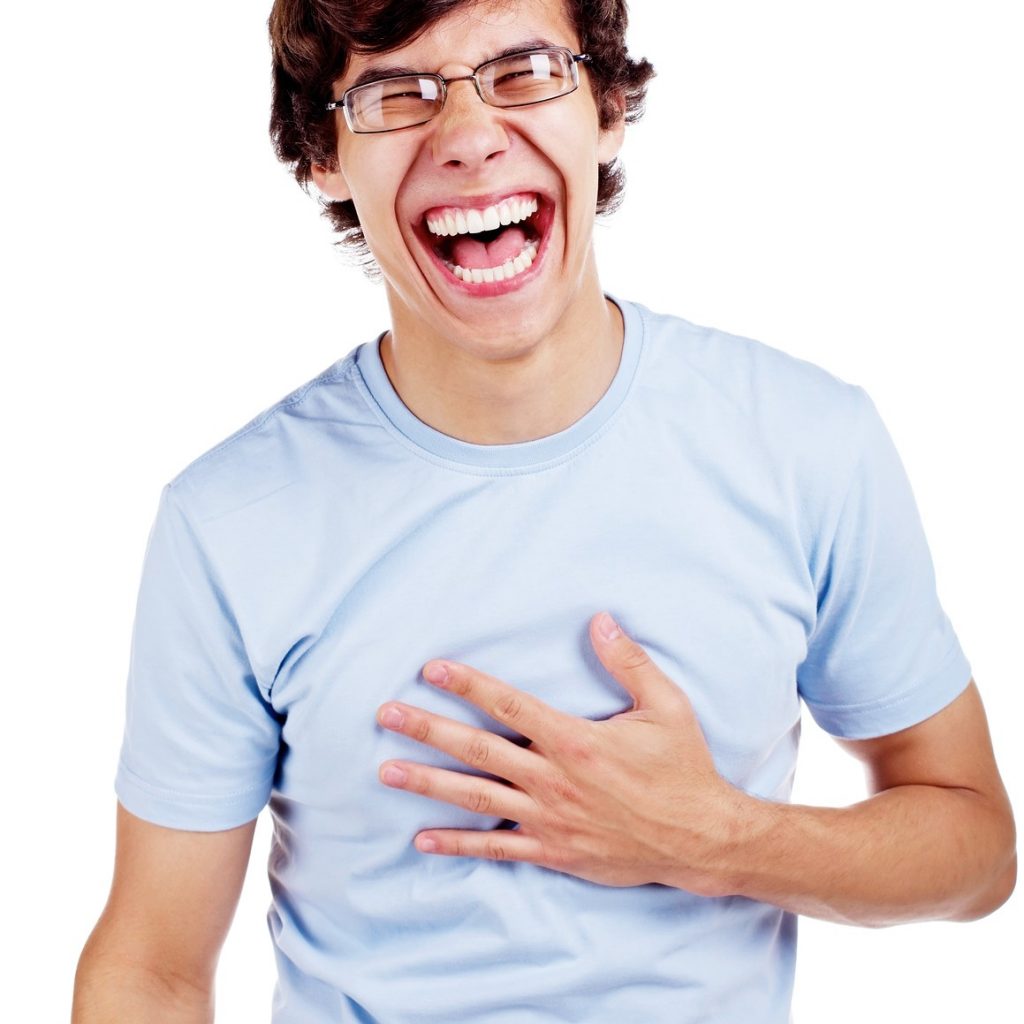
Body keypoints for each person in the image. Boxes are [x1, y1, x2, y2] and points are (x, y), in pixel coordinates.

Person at [72, 0, 1016, 1021]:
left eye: (523, 70)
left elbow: (974, 850)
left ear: (607, 106)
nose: (470, 136)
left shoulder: (806, 441)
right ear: (324, 157)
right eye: (397, 93)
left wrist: (715, 836)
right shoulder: (228, 523)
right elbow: (153, 965)